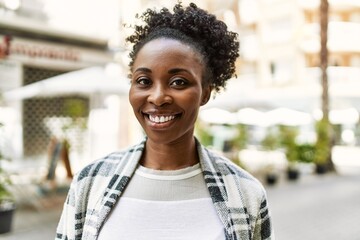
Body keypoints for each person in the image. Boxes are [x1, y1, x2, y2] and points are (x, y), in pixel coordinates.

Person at [55, 2, 273, 240]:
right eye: (143, 81)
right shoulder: (91, 181)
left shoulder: (246, 193)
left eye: (178, 82)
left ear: (205, 93)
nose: (157, 98)